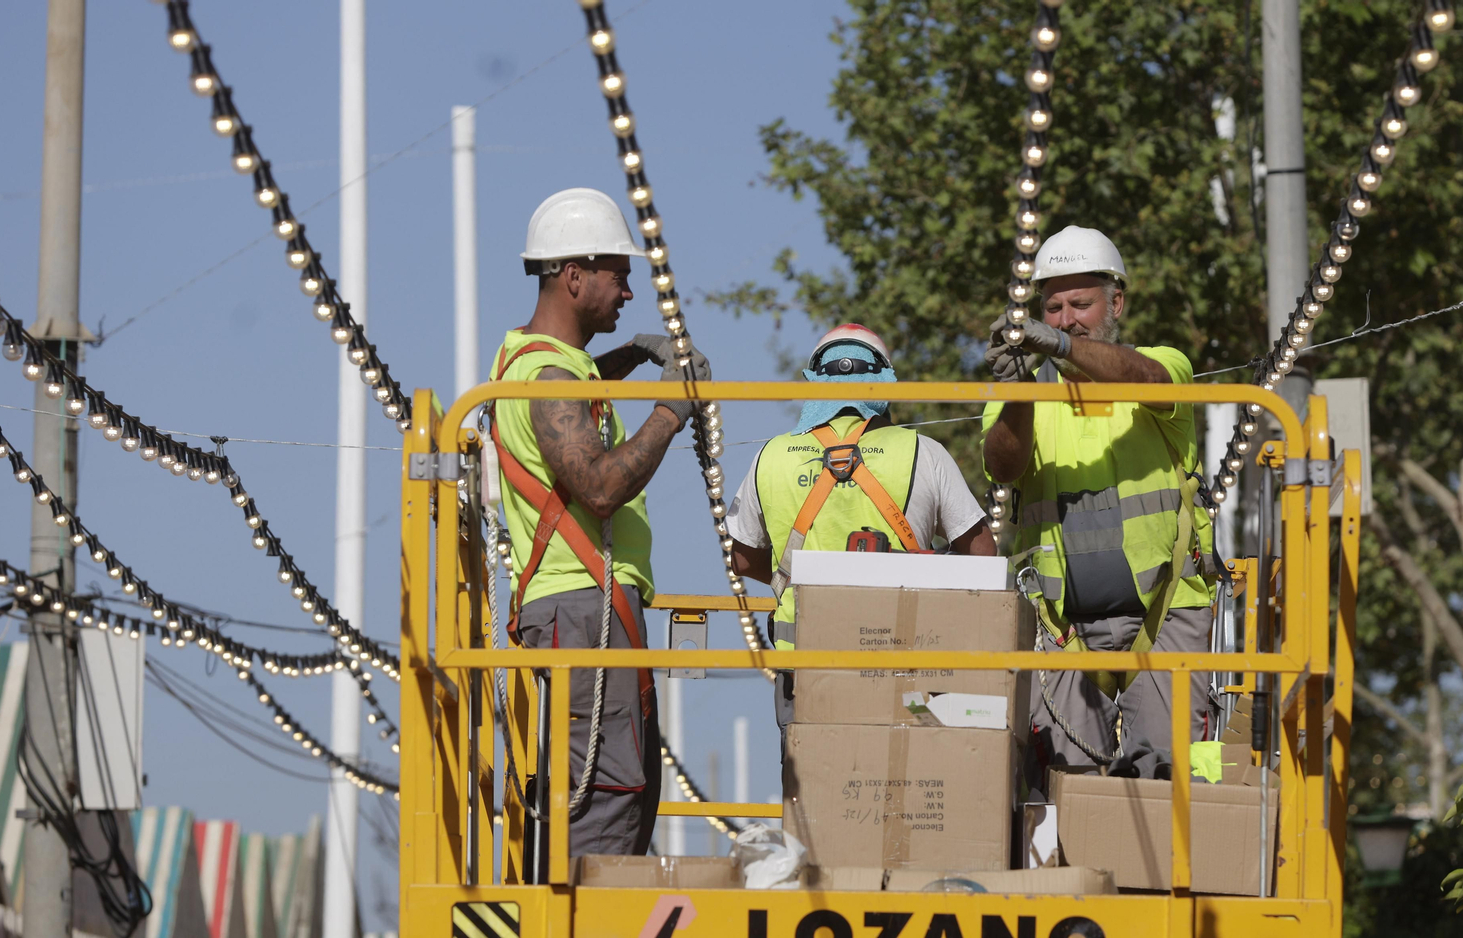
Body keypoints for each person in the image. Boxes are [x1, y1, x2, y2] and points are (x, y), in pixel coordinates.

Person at [487, 187, 709, 855]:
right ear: (573, 275)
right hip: (584, 612)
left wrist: (625, 363)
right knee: (604, 799)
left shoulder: (537, 366)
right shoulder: (551, 379)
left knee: (613, 790)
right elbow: (600, 485)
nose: (628, 292)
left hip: (581, 610)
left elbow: (570, 414)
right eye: (619, 274)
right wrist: (672, 408)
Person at [980, 226, 1216, 785]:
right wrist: (1018, 390)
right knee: (1064, 791)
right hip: (1060, 625)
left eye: (1079, 305)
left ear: (1116, 304)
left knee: (1171, 785)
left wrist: (1059, 348)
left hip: (1166, 612)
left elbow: (1150, 378)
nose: (1064, 320)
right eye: (1053, 308)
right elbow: (1002, 467)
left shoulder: (1162, 364)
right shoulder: (1030, 395)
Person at [726, 324, 997, 728]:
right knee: (896, 775)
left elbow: (744, 561)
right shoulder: (924, 452)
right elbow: (982, 555)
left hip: (804, 661)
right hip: (905, 659)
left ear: (814, 384)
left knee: (811, 780)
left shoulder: (771, 456)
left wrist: (797, 576)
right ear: (885, 382)